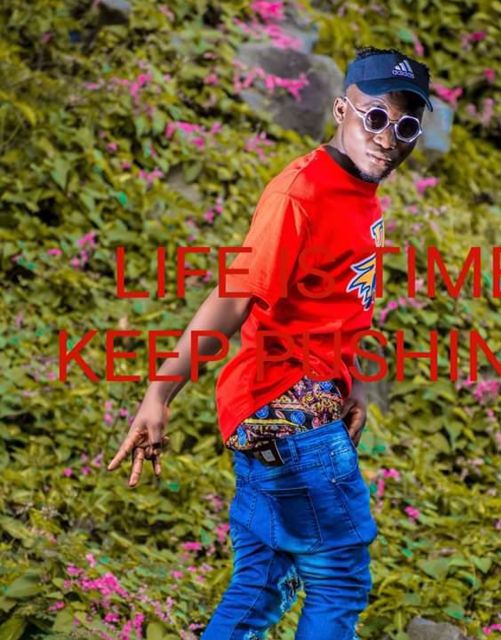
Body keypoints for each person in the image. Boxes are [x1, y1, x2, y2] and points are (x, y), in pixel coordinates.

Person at [106, 45, 434, 640]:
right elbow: (234, 296)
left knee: (263, 583)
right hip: (287, 409)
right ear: (341, 109)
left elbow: (342, 304)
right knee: (339, 581)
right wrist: (159, 393)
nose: (388, 138)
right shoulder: (300, 194)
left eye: (406, 126)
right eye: (375, 117)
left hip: (288, 405)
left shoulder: (361, 194)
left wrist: (352, 384)